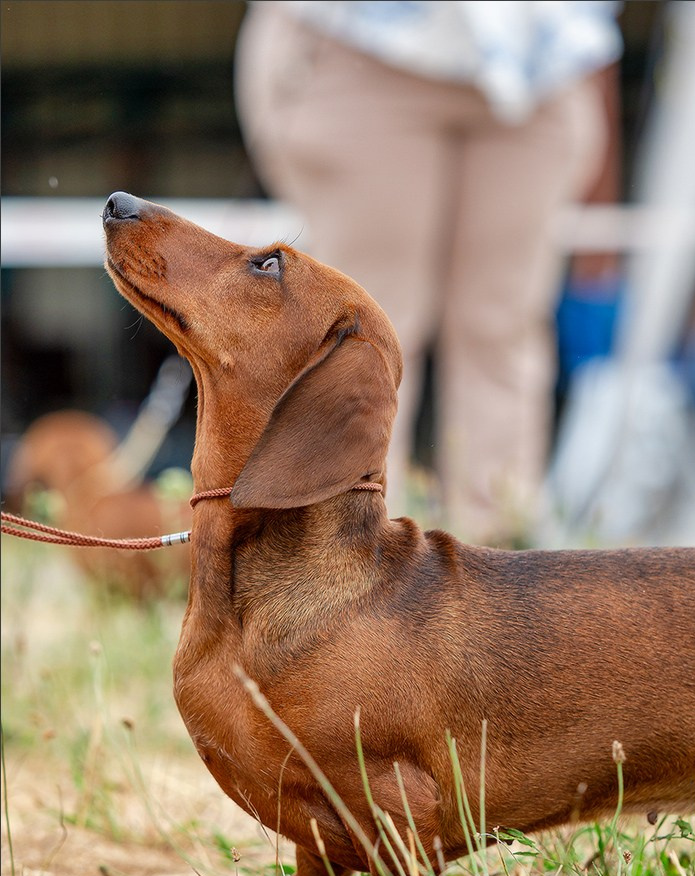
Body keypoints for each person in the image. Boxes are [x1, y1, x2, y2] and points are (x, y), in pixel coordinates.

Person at [234, 0, 622, 545]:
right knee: (365, 329)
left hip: (542, 61)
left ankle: (499, 568)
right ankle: (345, 564)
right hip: (360, 43)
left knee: (504, 328)